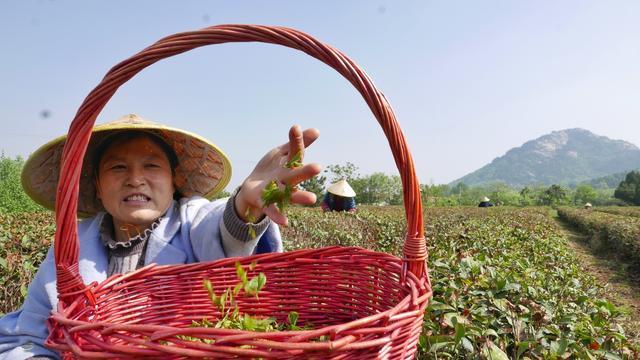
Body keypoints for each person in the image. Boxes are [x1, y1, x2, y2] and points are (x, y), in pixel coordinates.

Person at [0, 114, 321, 360]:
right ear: (97, 185)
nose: (135, 179)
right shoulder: (69, 247)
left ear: (174, 181)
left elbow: (220, 230)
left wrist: (245, 208)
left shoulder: (190, 221)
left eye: (151, 166)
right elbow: (30, 336)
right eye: (117, 168)